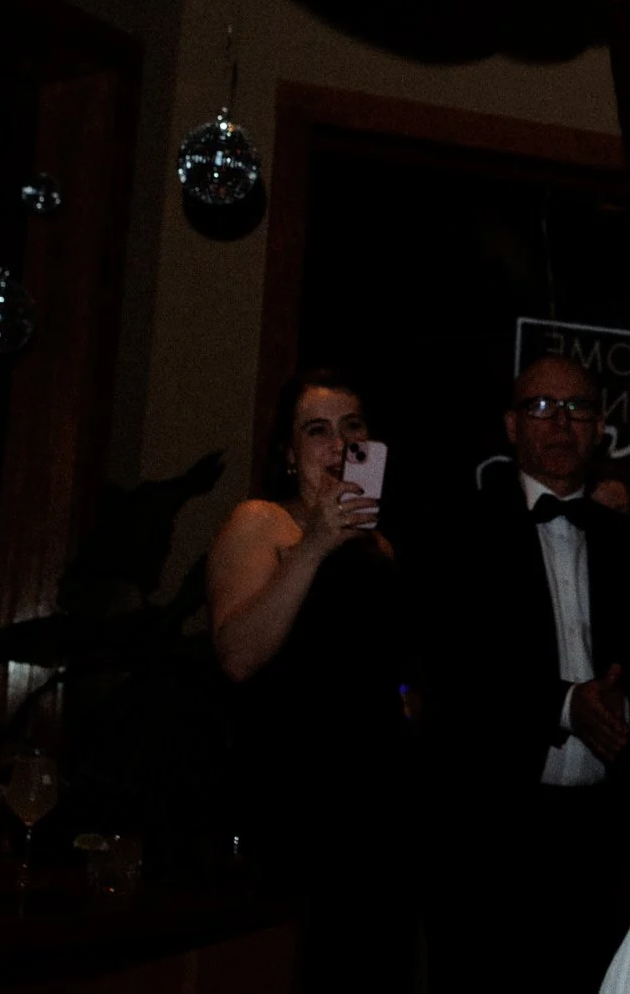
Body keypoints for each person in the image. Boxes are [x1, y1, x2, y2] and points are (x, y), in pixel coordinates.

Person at [424, 355, 630, 994]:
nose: (561, 422)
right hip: (492, 829)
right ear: (511, 426)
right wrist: (566, 706)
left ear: (599, 429)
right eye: (541, 407)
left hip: (601, 834)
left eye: (578, 409)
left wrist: (625, 701)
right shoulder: (461, 533)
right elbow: (450, 670)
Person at [206, 368, 411, 993]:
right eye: (317, 431)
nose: (339, 445)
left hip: (376, 805)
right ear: (289, 454)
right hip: (294, 799)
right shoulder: (260, 521)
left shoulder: (379, 547)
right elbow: (238, 655)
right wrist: (317, 543)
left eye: (353, 428)